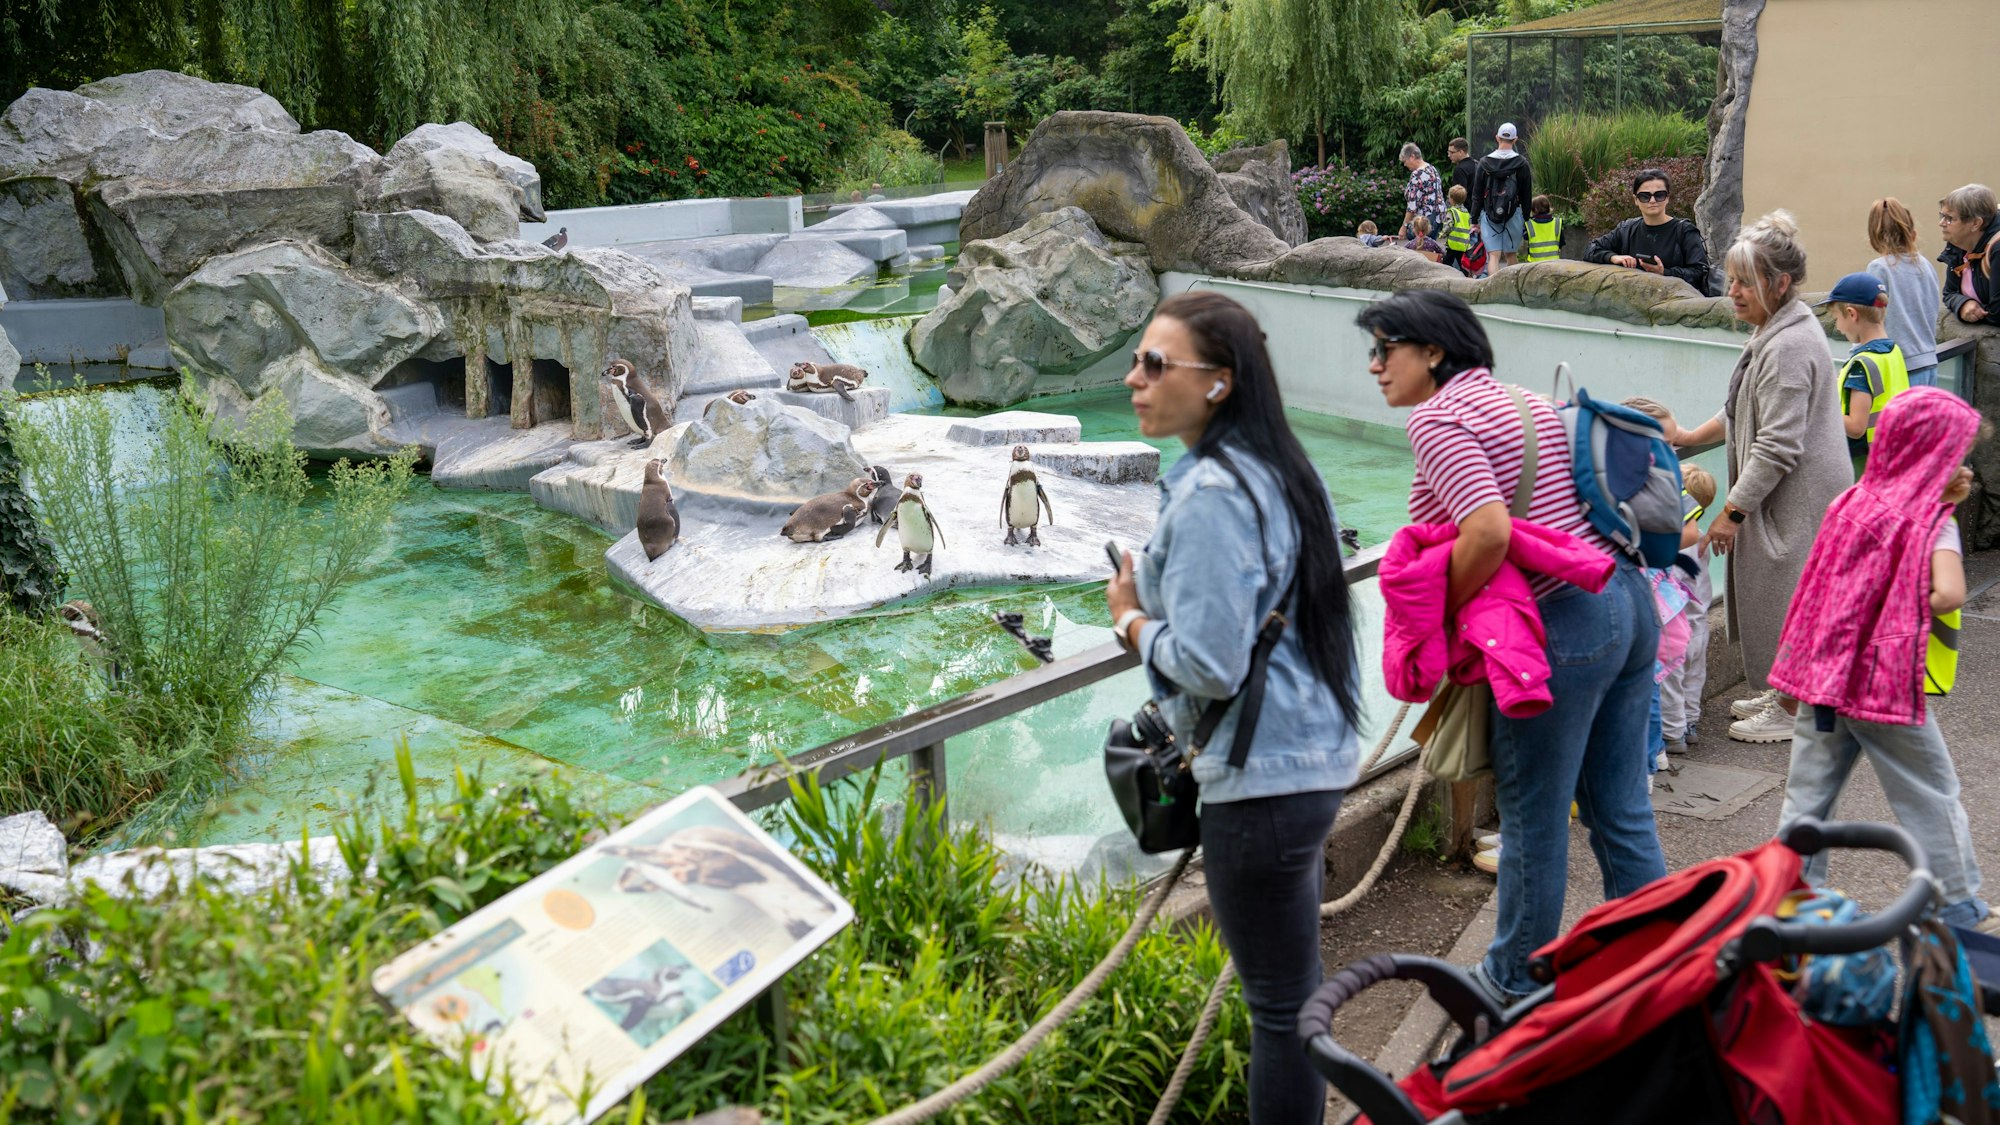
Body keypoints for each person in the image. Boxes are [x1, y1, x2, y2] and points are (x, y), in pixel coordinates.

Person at [1360, 289, 1664, 1008]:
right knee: (1619, 806)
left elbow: (1489, 530)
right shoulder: (1521, 398)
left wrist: (1440, 613)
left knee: (1532, 820)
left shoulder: (1439, 417)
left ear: (1433, 351)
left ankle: (1510, 982)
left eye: (1384, 348)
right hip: (1623, 598)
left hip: (1561, 625)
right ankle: (1659, 958)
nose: (1374, 365)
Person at [1106, 290, 1362, 1124]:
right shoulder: (1278, 467)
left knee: (1280, 1011)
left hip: (1261, 784)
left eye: (1154, 364)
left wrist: (1131, 619)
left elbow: (1211, 665)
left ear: (1218, 382)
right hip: (1306, 756)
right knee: (1296, 999)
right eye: (1136, 361)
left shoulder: (1213, 492)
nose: (1134, 379)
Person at [1770, 387, 1990, 930]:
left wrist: (1792, 674)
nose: (1963, 467)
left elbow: (1816, 591)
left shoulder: (1851, 501)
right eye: (1956, 455)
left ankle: (1793, 899)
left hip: (1825, 677)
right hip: (1882, 684)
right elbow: (1950, 594)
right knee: (1929, 791)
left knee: (1808, 795)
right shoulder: (1931, 522)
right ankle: (1959, 905)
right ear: (1931, 456)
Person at [1657, 212, 1851, 744]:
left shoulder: (1788, 347)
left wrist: (1731, 513)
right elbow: (1740, 410)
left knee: (1791, 596)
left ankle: (1792, 709)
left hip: (1800, 496)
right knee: (1793, 595)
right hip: (1796, 491)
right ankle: (1788, 692)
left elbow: (1777, 444)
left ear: (1779, 283)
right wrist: (1689, 436)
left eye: (1745, 282)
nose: (1732, 292)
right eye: (1732, 279)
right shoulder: (1778, 328)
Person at [1818, 271, 1912, 465]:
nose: (1838, 327)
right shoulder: (1892, 351)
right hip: (1891, 451)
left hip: (1864, 462)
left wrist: (1818, 408)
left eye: (1836, 318)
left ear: (1852, 314)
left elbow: (1856, 427)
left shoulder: (1861, 366)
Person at [1584, 169, 1711, 292]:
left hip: (1676, 301)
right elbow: (1591, 249)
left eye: (1659, 195)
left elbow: (1700, 273)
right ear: (1636, 200)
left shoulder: (1685, 231)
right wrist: (1612, 257)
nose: (1652, 201)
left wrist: (1665, 272)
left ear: (1668, 198)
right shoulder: (1626, 229)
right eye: (1645, 196)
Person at [1662, 465, 1717, 752]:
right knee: (1694, 676)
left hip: (1677, 627)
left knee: (1671, 680)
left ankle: (1673, 734)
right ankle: (1690, 722)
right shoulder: (1702, 538)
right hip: (1700, 624)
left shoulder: (1677, 544)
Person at [1866, 197, 1942, 386]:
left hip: (1899, 366)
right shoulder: (1925, 265)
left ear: (1874, 236)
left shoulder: (1879, 268)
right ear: (1912, 233)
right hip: (1929, 361)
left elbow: (1871, 320)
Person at [1468, 123, 1533, 270]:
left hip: (1489, 213)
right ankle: (1511, 284)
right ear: (1515, 140)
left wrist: (1474, 219)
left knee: (1494, 256)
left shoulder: (1484, 163)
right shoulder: (1522, 163)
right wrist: (1526, 217)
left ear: (1497, 138)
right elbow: (1526, 194)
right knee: (1511, 254)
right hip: (1513, 213)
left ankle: (1493, 285)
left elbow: (1477, 194)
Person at [1939, 183, 2000, 327]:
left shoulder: (1997, 249)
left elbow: (1997, 314)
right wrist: (1962, 304)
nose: (1941, 223)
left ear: (1975, 223)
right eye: (1942, 216)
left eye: (1950, 218)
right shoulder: (1958, 243)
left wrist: (1975, 311)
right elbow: (1949, 292)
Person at [1399, 142, 1449, 243]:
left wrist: (1404, 226)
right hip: (1437, 218)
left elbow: (1412, 205)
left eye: (1405, 161)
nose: (1405, 164)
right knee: (1430, 247)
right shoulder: (1432, 169)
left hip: (1422, 222)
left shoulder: (1417, 174)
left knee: (1419, 248)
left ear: (1412, 157)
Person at [1521, 194, 1562, 264]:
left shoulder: (1529, 224)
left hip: (1535, 263)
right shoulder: (1557, 223)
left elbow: (1525, 237)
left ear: (1534, 210)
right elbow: (1562, 241)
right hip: (1554, 262)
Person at [1443, 185, 1473, 271]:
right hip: (1464, 244)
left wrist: (1442, 234)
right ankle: (1466, 275)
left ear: (1452, 199)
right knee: (1462, 263)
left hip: (1453, 244)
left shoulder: (1452, 211)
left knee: (1446, 262)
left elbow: (1449, 225)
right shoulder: (1466, 213)